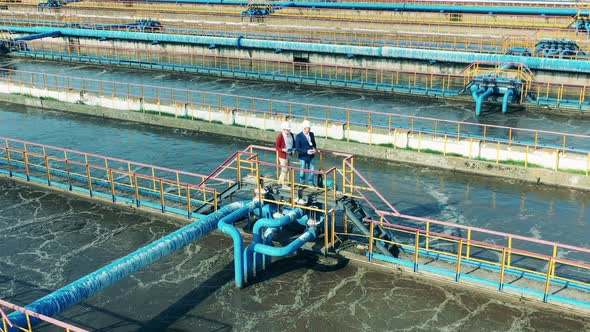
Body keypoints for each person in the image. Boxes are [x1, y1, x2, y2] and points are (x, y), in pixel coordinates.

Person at [295, 120, 318, 186]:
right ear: (304, 128)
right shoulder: (299, 136)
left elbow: (314, 143)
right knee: (302, 170)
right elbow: (297, 148)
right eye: (308, 128)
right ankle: (302, 183)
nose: (310, 129)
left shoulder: (311, 134)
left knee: (312, 170)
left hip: (311, 156)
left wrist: (314, 149)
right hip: (303, 157)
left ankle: (311, 183)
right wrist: (306, 151)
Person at [275, 121, 295, 188]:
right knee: (284, 170)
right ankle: (284, 184)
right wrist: (283, 149)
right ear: (283, 129)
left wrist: (293, 149)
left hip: (289, 154)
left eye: (289, 130)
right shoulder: (280, 136)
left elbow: (293, 144)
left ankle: (280, 182)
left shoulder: (291, 135)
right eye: (287, 130)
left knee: (288, 169)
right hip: (283, 156)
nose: (289, 131)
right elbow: (277, 147)